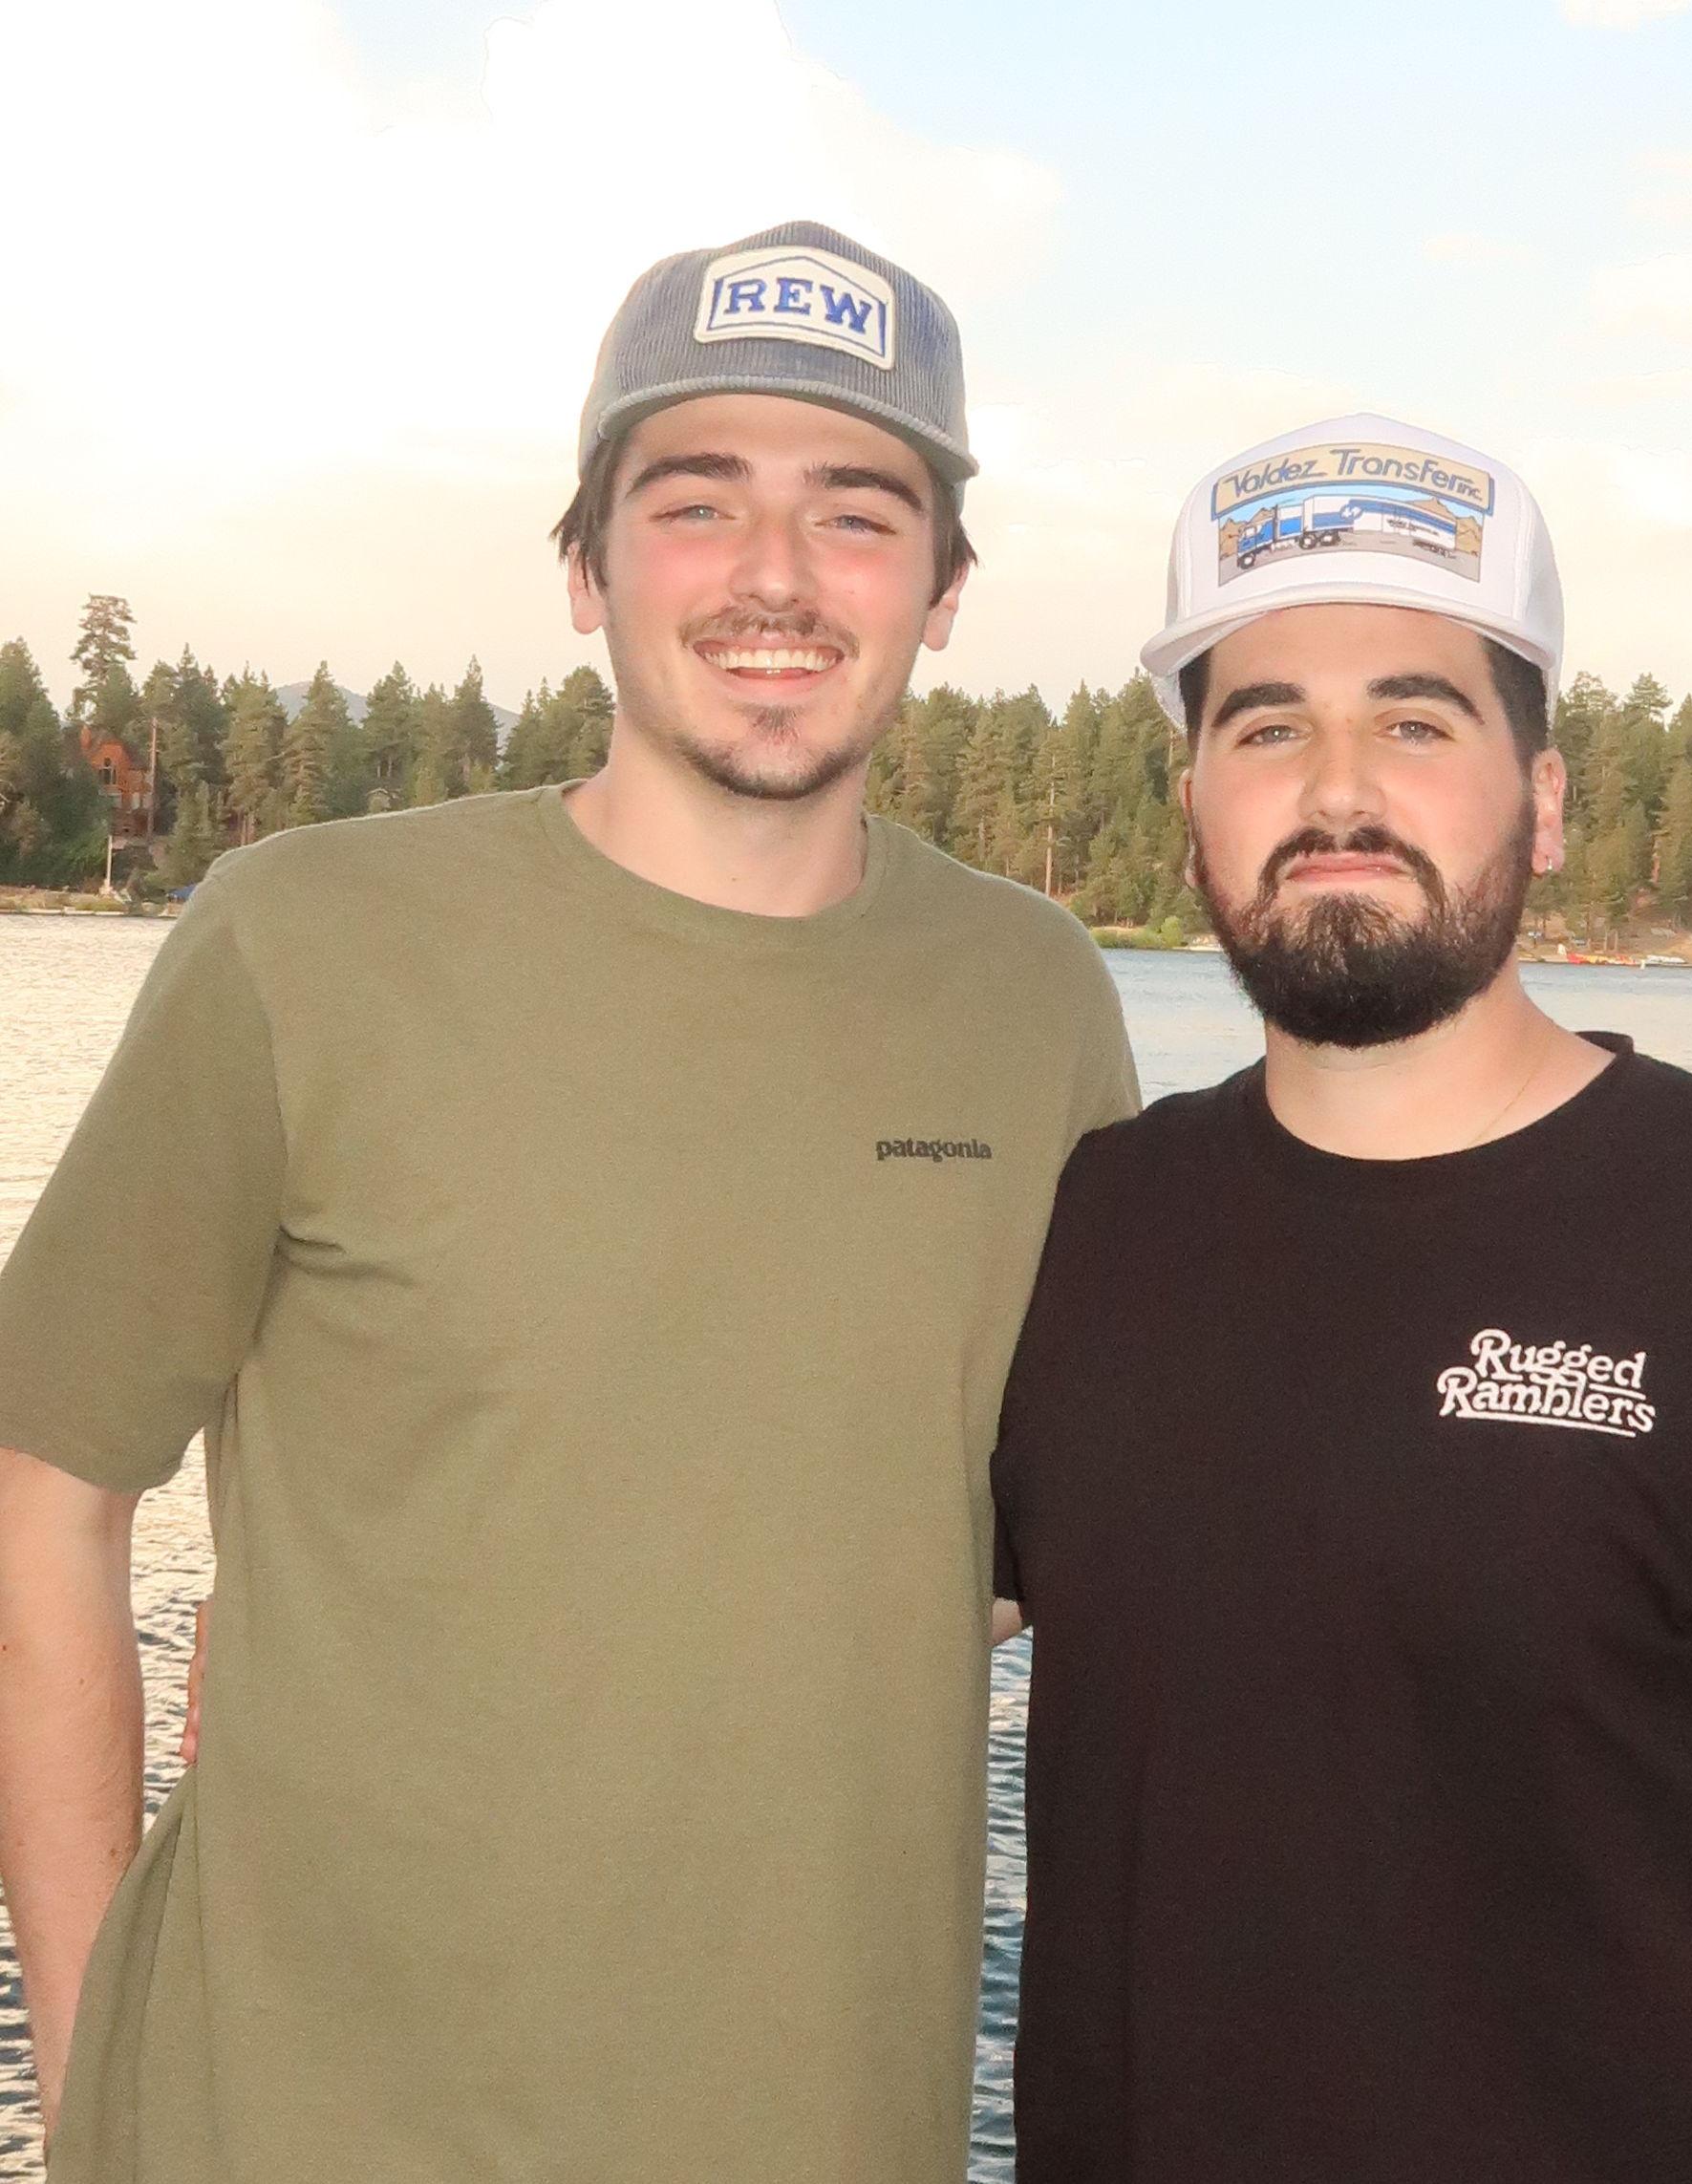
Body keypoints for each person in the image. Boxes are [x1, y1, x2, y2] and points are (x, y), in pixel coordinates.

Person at [0, 219, 1136, 2184]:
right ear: (587, 564)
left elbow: (1031, 1536)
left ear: (945, 589)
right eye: (695, 502)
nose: (775, 574)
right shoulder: (300, 943)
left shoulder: (1031, 1001)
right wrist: (100, 2070)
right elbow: (45, 1486)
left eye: (855, 512)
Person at [991, 414, 1692, 2184]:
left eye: (1416, 720)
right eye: (1267, 725)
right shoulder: (1086, 1226)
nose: (1338, 790)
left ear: (1544, 803)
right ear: (1191, 808)